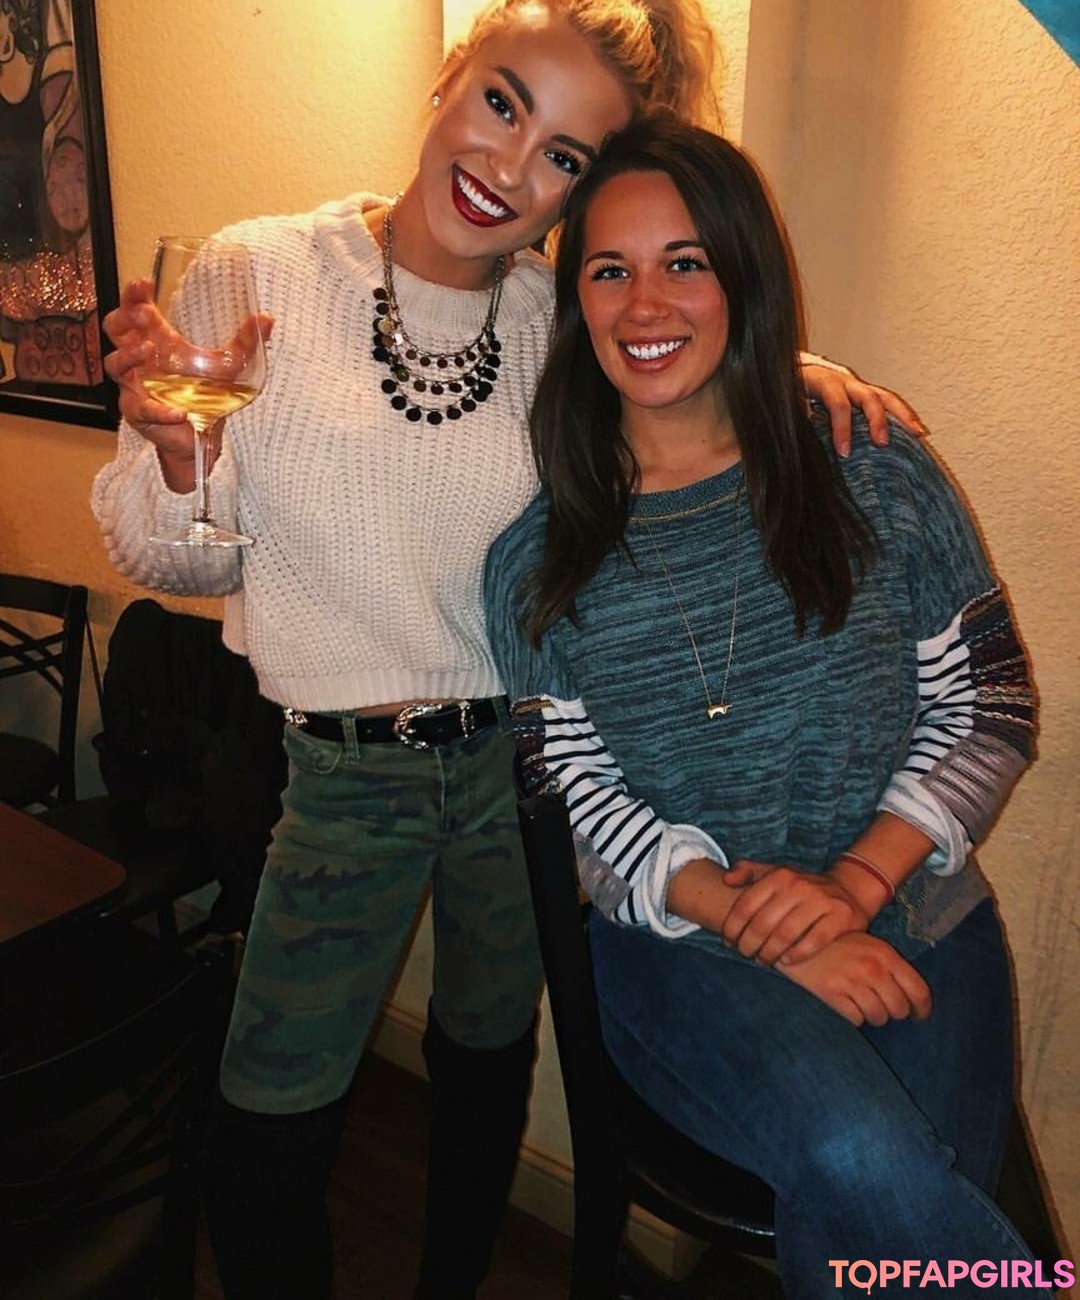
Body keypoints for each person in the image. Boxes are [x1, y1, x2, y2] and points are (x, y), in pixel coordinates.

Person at [92, 4, 924, 1298]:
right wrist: (182, 458)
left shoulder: (554, 319)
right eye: (501, 102)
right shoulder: (258, 271)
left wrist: (795, 369)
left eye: (564, 157)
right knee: (265, 1128)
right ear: (450, 76)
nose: (509, 165)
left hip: (521, 771)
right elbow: (176, 558)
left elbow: (671, 362)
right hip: (342, 778)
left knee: (486, 1068)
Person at [485, 111, 1039, 1297]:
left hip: (914, 905)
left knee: (870, 1232)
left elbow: (992, 703)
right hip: (682, 946)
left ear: (744, 274)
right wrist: (754, 921)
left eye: (685, 261)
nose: (645, 304)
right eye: (609, 270)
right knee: (864, 1159)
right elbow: (571, 801)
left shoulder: (874, 469)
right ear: (573, 302)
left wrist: (851, 889)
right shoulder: (537, 561)